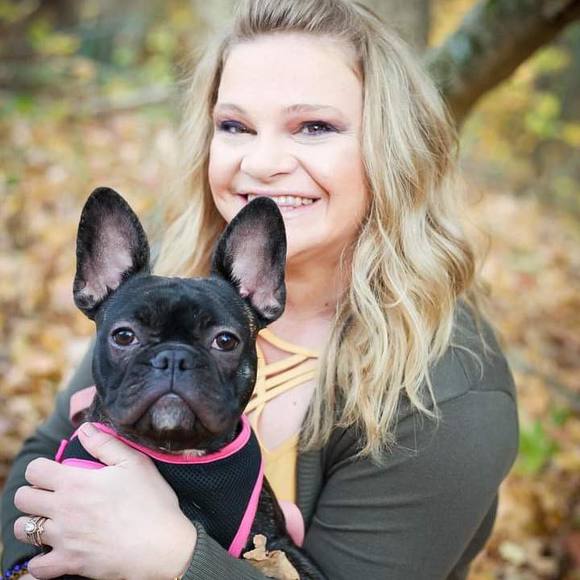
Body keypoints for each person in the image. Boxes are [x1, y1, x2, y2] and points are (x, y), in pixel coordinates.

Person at [1, 0, 519, 578]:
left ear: (392, 147)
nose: (264, 161)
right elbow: (42, 455)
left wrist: (172, 557)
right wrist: (33, 559)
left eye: (315, 127)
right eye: (236, 126)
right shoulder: (168, 287)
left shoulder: (448, 393)